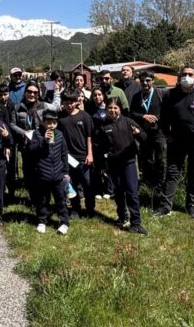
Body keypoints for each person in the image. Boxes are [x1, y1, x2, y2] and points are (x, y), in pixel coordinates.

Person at [155, 66, 194, 221]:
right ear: (179, 77)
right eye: (184, 74)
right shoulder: (170, 95)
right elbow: (163, 118)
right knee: (172, 174)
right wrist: (168, 135)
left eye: (190, 74)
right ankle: (165, 207)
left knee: (193, 175)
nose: (187, 77)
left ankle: (191, 208)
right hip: (176, 143)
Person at [101, 97, 147, 235]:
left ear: (120, 109)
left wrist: (138, 134)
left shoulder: (128, 122)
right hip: (113, 164)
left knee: (132, 193)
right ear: (106, 109)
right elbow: (100, 146)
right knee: (119, 193)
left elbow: (144, 137)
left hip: (129, 163)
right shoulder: (103, 126)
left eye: (115, 108)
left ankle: (136, 223)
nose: (113, 110)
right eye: (110, 108)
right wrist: (104, 162)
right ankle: (122, 217)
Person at [28, 108, 70, 235]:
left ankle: (64, 222)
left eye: (53, 122)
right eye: (48, 122)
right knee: (42, 200)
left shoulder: (60, 134)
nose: (51, 125)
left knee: (60, 199)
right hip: (42, 174)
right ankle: (42, 221)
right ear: (43, 122)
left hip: (57, 174)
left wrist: (65, 171)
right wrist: (43, 141)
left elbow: (64, 154)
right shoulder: (37, 134)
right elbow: (32, 149)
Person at [129, 70, 166, 206]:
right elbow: (132, 113)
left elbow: (168, 112)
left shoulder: (161, 95)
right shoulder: (136, 97)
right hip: (143, 134)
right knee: (145, 160)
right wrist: (143, 116)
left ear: (153, 81)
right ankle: (146, 185)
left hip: (159, 134)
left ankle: (159, 188)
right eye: (143, 81)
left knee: (160, 160)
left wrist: (157, 119)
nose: (145, 83)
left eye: (148, 80)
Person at [57, 90, 96, 218]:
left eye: (72, 102)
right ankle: (75, 208)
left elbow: (89, 137)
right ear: (63, 103)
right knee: (71, 185)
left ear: (77, 102)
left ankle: (90, 209)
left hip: (83, 156)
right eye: (67, 103)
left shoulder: (85, 116)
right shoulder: (60, 118)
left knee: (88, 184)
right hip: (67, 157)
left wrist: (90, 154)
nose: (69, 105)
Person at [9, 80, 45, 199]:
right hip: (25, 145)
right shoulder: (17, 107)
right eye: (29, 91)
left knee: (41, 172)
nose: (32, 94)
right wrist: (24, 133)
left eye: (35, 92)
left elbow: (49, 123)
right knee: (28, 172)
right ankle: (32, 198)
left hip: (40, 144)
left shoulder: (43, 106)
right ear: (25, 93)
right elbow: (12, 125)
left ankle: (42, 199)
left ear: (38, 94)